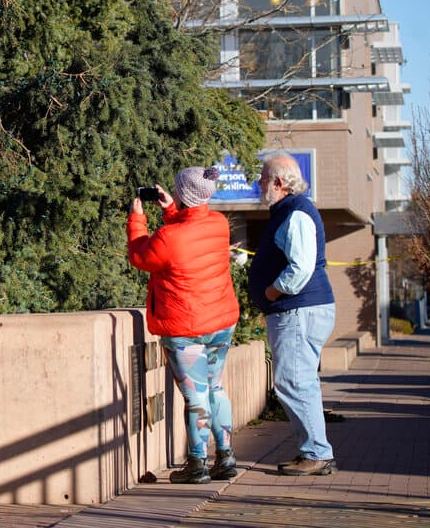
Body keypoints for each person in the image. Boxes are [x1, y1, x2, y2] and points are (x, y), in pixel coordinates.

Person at [126, 166, 240, 484]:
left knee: (196, 396)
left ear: (181, 193)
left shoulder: (168, 237)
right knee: (216, 388)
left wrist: (137, 218)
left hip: (185, 327)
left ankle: (198, 463)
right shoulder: (218, 224)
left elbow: (141, 257)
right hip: (221, 322)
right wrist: (171, 210)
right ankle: (226, 457)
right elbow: (189, 232)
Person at [248, 152, 337, 476]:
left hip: (298, 311)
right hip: (299, 311)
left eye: (263, 178)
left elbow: (301, 267)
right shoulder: (290, 211)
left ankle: (316, 452)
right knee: (300, 382)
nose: (259, 184)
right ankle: (314, 451)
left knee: (292, 382)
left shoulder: (297, 213)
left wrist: (272, 290)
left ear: (279, 183)